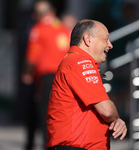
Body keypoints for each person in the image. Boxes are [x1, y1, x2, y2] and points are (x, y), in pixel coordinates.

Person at [46, 20, 127, 150]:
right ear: (87, 40)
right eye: (106, 39)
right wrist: (117, 118)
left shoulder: (75, 61)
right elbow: (107, 110)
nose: (110, 45)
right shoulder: (80, 61)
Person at [22, 0, 71, 149]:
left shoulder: (38, 29)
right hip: (63, 77)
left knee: (44, 113)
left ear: (37, 14)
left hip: (45, 78)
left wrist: (27, 73)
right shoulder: (63, 28)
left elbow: (31, 57)